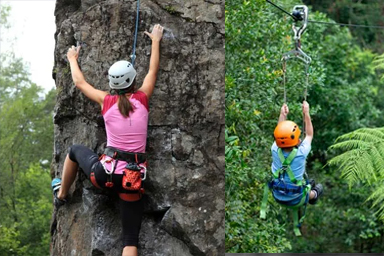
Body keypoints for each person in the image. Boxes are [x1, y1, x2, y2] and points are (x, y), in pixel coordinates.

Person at [51, 24, 164, 256]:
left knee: (73, 151)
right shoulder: (143, 98)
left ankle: (62, 194)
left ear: (112, 84)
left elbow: (80, 83)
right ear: (133, 81)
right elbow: (153, 71)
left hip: (105, 174)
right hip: (132, 179)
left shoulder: (106, 101)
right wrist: (155, 41)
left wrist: (73, 58)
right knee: (130, 240)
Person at [271, 101, 323, 206]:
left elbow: (280, 134)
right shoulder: (301, 153)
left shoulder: (274, 149)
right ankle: (314, 195)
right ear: (298, 141)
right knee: (316, 189)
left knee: (294, 185)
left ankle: (306, 188)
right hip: (296, 198)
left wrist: (282, 115)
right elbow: (309, 135)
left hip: (277, 194)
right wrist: (306, 114)